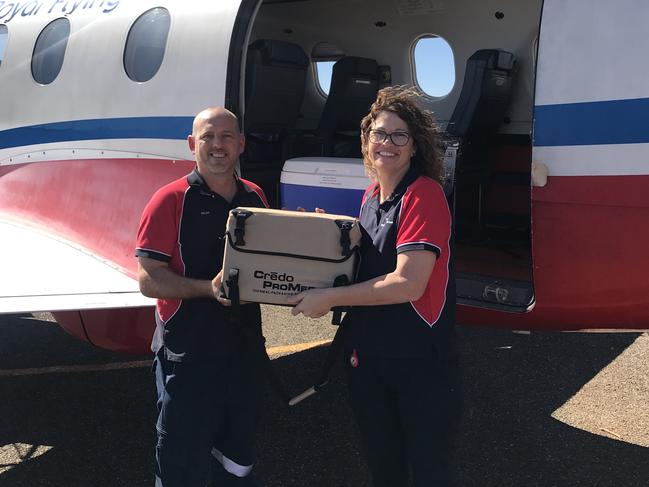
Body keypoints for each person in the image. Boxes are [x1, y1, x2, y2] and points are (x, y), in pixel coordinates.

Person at [287, 86, 458, 487]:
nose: (388, 143)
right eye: (380, 133)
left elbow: (408, 283)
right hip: (370, 355)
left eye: (400, 135)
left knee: (429, 469)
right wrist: (321, 233)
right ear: (367, 142)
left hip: (417, 362)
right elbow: (365, 258)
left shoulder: (424, 195)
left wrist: (328, 298)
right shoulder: (370, 198)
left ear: (415, 146)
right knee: (383, 464)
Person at [135, 107, 268, 487]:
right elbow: (148, 279)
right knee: (180, 459)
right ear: (193, 144)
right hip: (187, 356)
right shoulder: (169, 200)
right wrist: (205, 289)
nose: (217, 145)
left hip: (243, 354)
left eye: (227, 136)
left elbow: (269, 265)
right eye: (208, 136)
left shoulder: (255, 196)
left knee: (237, 458)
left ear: (241, 144)